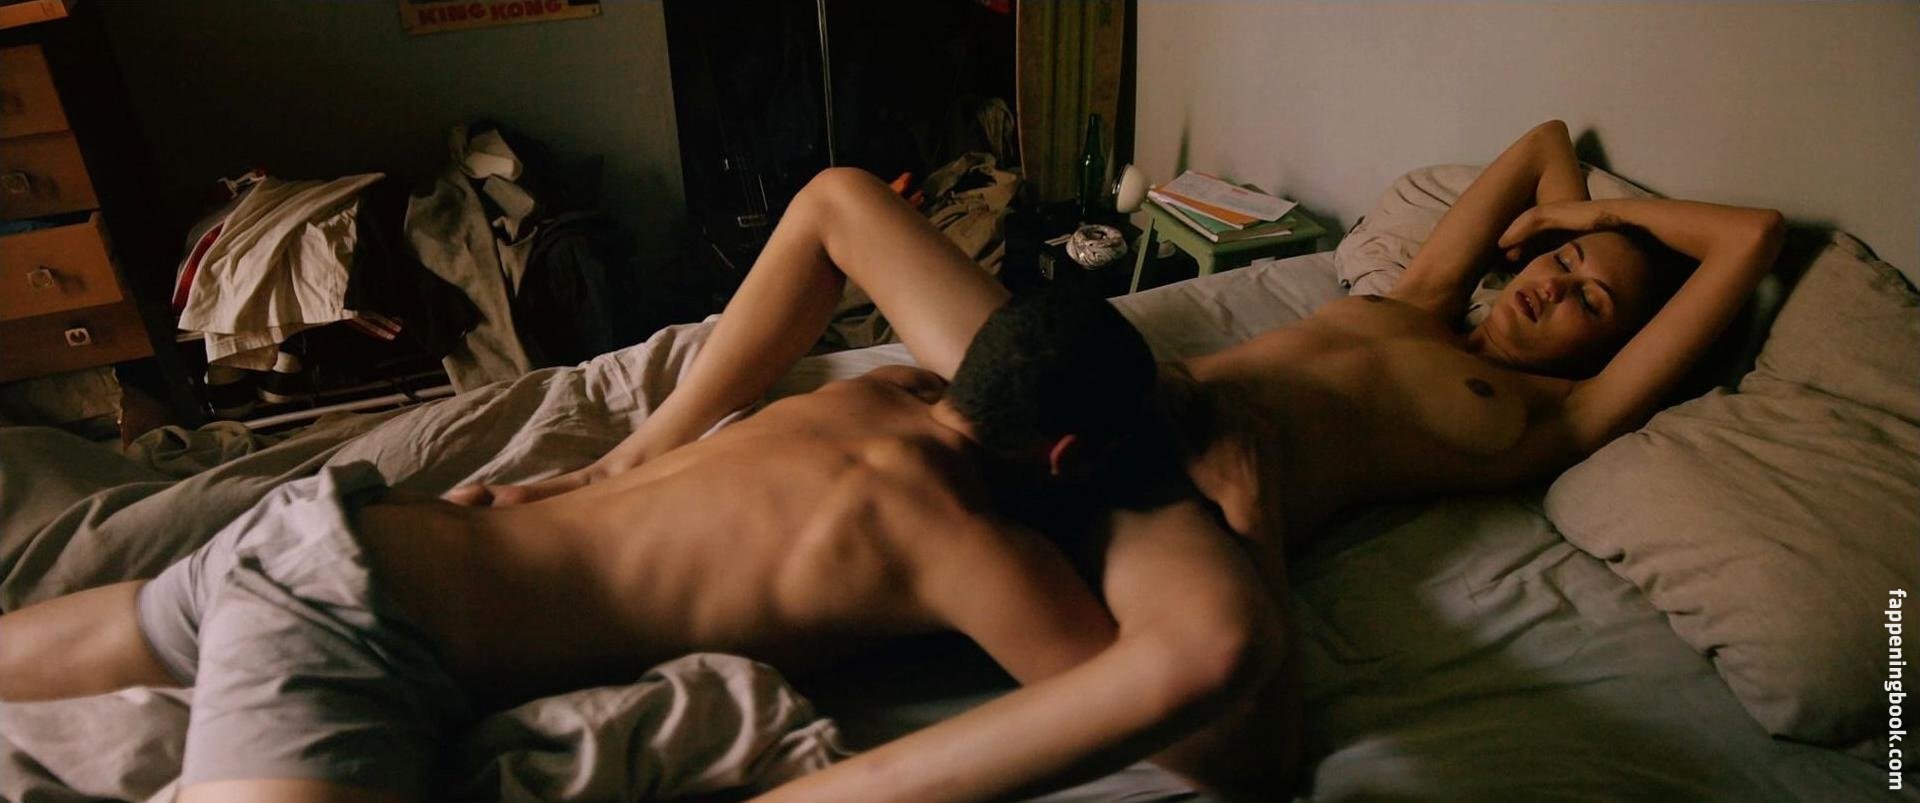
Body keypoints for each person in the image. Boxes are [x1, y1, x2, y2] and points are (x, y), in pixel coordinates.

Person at [456, 119, 1783, 795]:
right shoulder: (1425, 293)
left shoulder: (1547, 418)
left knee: (1231, 727)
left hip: (1171, 489)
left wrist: (1252, 527)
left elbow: (1755, 238)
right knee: (841, 199)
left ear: (1613, 346)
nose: (1557, 280)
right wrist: (1562, 212)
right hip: (1102, 382)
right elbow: (1544, 139)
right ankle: (624, 460)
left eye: (1593, 298)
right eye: (1559, 258)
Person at [0, 287, 1286, 803]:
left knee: (62, 640)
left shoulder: (878, 391)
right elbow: (1216, 742)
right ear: (1066, 458)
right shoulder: (972, 546)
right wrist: (1240, 522)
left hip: (331, 528)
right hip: (360, 633)